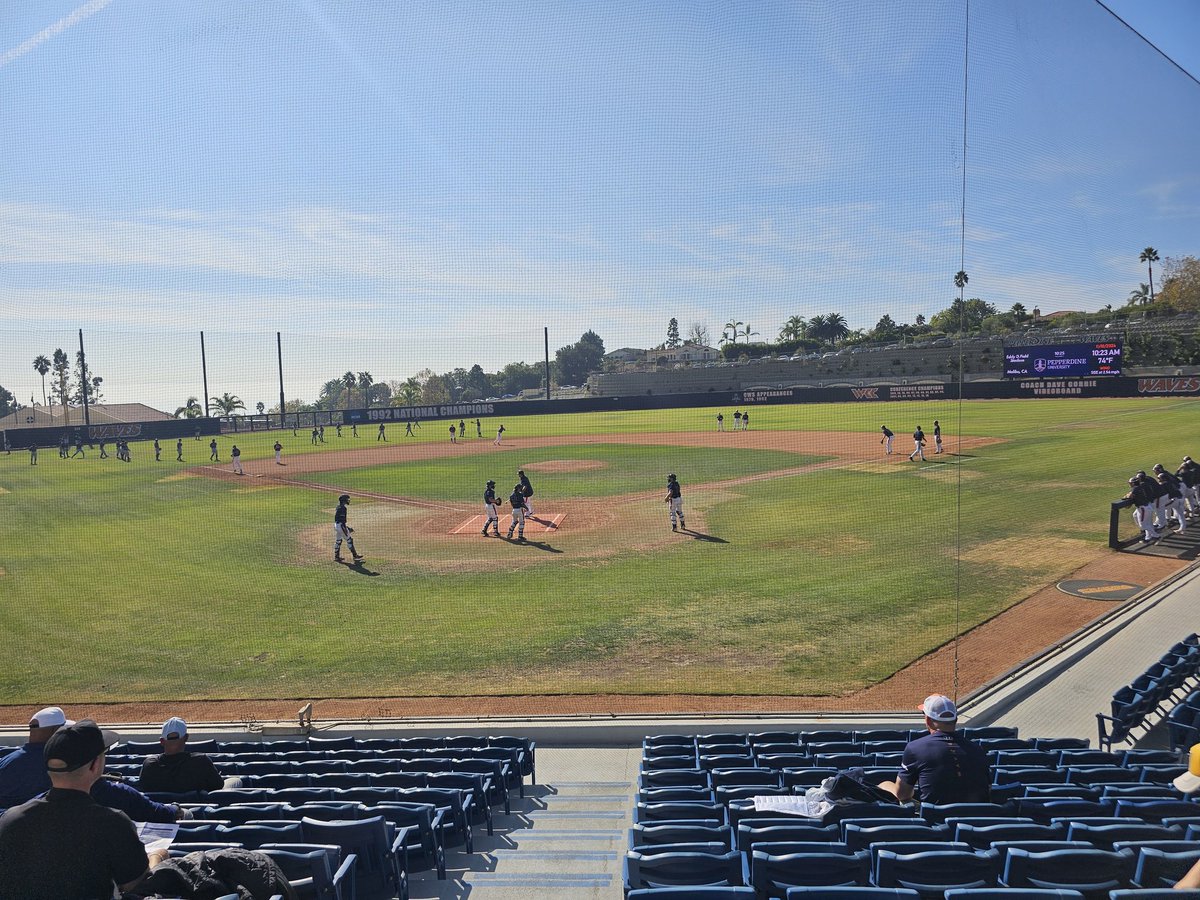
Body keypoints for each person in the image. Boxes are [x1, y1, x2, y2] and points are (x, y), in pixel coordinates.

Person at [0, 719, 167, 898]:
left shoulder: (10, 819)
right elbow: (136, 885)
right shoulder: (113, 824)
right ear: (95, 766)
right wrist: (157, 857)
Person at [0, 707, 185, 825]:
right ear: (94, 765)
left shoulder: (15, 816)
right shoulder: (102, 792)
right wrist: (178, 811)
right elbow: (157, 813)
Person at [877, 694, 990, 806]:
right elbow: (987, 789)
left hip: (935, 820)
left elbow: (902, 794)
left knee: (884, 787)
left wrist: (885, 785)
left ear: (928, 720)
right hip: (978, 819)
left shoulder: (915, 748)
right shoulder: (977, 749)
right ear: (955, 720)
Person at [138, 717, 238, 793]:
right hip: (199, 811)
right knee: (236, 781)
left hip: (162, 812)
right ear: (186, 738)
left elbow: (144, 789)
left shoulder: (149, 764)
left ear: (161, 741)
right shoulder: (201, 761)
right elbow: (218, 785)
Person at [1153, 463, 1188, 533]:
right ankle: (1182, 527)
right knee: (1180, 514)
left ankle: (1162, 524)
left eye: (1159, 478)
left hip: (1175, 500)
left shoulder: (1164, 484)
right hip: (1179, 498)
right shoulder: (1168, 481)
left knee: (1159, 508)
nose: (1158, 479)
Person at [1125, 475, 1160, 543]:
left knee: (1143, 525)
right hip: (1146, 507)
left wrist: (1127, 496)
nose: (1129, 484)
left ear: (1133, 483)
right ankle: (1148, 537)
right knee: (1145, 523)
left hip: (1143, 509)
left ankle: (1157, 536)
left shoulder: (1135, 489)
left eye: (1130, 483)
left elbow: (1130, 496)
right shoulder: (1140, 487)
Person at [333, 493, 364, 563]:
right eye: (347, 499)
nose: (348, 500)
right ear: (344, 500)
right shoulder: (343, 508)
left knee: (338, 540)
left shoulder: (338, 507)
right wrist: (347, 529)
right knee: (349, 540)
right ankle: (355, 556)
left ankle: (336, 557)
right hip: (341, 526)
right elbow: (342, 521)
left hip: (336, 525)